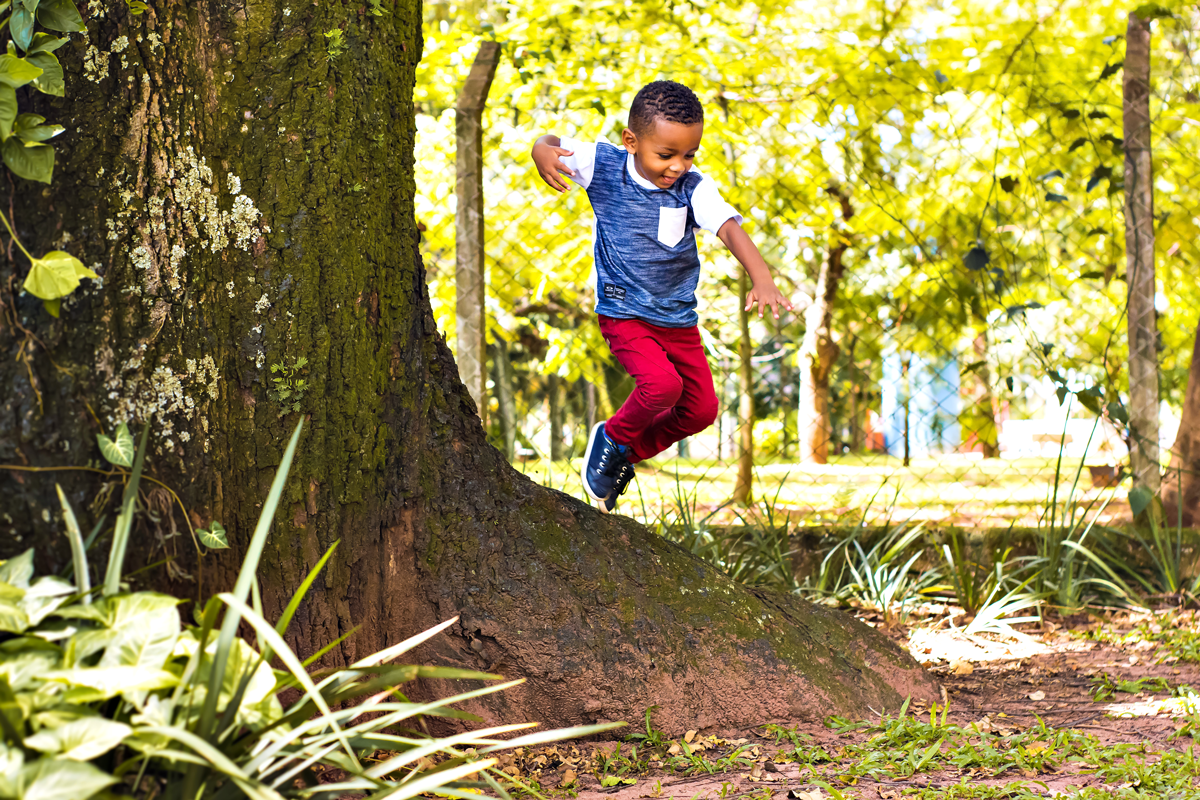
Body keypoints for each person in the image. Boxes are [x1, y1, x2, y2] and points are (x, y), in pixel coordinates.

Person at [530, 80, 792, 513]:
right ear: (631, 141)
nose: (677, 166)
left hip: (677, 320)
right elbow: (552, 141)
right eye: (666, 154)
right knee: (662, 386)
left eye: (689, 155)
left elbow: (729, 228)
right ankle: (612, 436)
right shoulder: (604, 164)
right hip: (624, 312)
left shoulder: (693, 188)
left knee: (701, 410)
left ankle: (623, 454)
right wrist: (541, 150)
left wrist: (761, 277)